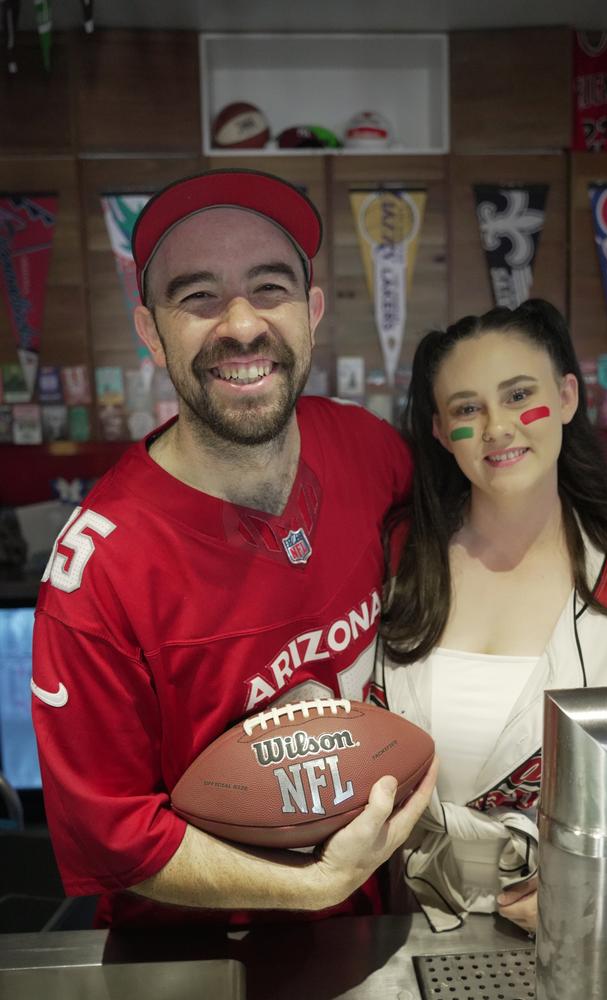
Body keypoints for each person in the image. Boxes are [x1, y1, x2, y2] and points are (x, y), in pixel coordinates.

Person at [30, 168, 437, 929]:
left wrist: (602, 539)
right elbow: (110, 839)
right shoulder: (99, 573)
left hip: (375, 928)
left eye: (270, 288)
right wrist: (311, 885)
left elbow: (466, 547)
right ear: (150, 330)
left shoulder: (367, 449)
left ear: (313, 314)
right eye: (198, 297)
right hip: (192, 962)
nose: (242, 325)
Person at [376, 299, 607, 935]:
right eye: (468, 408)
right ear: (442, 431)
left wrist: (605, 882)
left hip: (587, 938)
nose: (498, 426)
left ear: (566, 397)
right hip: (397, 933)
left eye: (518, 394)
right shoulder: (393, 561)